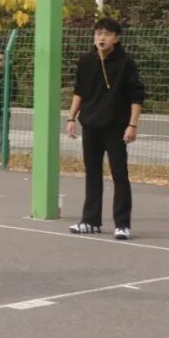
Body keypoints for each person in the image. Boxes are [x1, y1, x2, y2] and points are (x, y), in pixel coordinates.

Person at [67, 18, 145, 240]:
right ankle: (90, 220)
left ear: (116, 39)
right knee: (92, 172)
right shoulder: (86, 61)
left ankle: (122, 224)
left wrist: (132, 125)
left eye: (107, 34)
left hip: (116, 126)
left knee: (119, 174)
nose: (102, 38)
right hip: (90, 125)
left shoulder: (126, 63)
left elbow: (137, 96)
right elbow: (79, 91)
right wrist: (71, 118)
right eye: (98, 33)